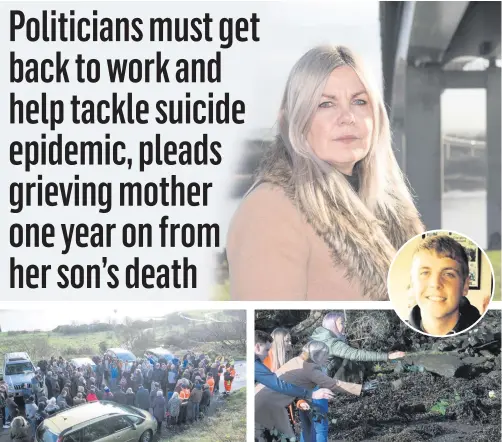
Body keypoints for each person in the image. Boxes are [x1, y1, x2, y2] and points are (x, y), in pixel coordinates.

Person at [227, 45, 424, 301]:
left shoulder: (387, 209)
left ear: (376, 114)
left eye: (359, 101)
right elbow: (272, 331)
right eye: (326, 104)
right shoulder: (270, 210)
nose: (347, 117)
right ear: (295, 120)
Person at [255, 341, 364, 439]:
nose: (327, 358)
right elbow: (334, 384)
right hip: (266, 406)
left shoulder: (296, 360)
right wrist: (361, 389)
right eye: (326, 355)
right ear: (318, 356)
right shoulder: (310, 369)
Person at [407, 235, 481, 335]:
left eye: (448, 274)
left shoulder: (488, 335)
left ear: (465, 286)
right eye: (425, 273)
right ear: (412, 283)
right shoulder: (397, 338)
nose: (435, 284)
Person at [255, 331, 334, 402]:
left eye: (290, 340)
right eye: (286, 340)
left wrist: (301, 401)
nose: (290, 343)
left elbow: (293, 385)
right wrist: (311, 394)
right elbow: (278, 385)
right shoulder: (260, 363)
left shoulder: (291, 359)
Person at [311, 312, 405, 365]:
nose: (344, 326)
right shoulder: (332, 344)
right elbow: (357, 354)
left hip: (315, 379)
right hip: (322, 382)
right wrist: (387, 356)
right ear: (332, 325)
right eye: (341, 323)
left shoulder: (321, 337)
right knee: (349, 361)